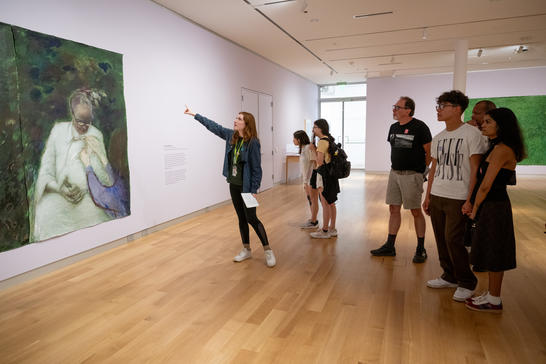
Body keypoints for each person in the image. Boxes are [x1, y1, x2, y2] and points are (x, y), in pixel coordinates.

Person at [183, 105, 276, 267]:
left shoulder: (253, 142)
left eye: (239, 119)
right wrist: (195, 115)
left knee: (252, 218)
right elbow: (214, 126)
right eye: (236, 117)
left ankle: (268, 250)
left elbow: (256, 168)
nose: (235, 120)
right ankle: (246, 249)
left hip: (246, 187)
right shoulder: (230, 136)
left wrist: (254, 189)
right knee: (241, 218)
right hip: (233, 185)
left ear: (247, 124)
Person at [422, 90, 487, 302]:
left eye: (444, 105)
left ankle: (467, 282)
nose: (438, 110)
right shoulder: (438, 138)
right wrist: (428, 195)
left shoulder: (472, 134)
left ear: (458, 109)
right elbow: (433, 169)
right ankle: (449, 275)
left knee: (454, 239)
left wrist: (470, 200)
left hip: (458, 196)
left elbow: (475, 169)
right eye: (438, 106)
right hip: (438, 194)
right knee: (441, 239)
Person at [32, 89, 120, 241]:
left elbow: (106, 180)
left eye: (88, 121)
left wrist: (88, 186)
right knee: (45, 215)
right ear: (72, 115)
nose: (84, 126)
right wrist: (59, 188)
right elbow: (46, 170)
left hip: (89, 197)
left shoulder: (96, 134)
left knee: (99, 220)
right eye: (80, 121)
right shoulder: (58, 131)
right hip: (59, 194)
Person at [465, 108, 526, 313]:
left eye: (488, 121)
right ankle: (491, 294)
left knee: (495, 252)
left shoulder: (502, 150)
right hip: (492, 206)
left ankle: (494, 299)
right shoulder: (496, 146)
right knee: (490, 250)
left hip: (494, 207)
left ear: (501, 126)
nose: (483, 124)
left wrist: (474, 209)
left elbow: (485, 185)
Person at [370, 97, 432, 263]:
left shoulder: (420, 127)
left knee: (415, 211)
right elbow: (396, 149)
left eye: (397, 107)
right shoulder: (393, 127)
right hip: (394, 174)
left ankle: (421, 248)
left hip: (412, 176)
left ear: (408, 110)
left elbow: (429, 152)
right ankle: (390, 246)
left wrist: (421, 173)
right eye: (394, 107)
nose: (394, 110)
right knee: (393, 209)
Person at [463, 99, 496, 272]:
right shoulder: (475, 131)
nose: (472, 115)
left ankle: (481, 259)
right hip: (476, 184)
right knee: (472, 223)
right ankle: (474, 255)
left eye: (476, 112)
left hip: (487, 189)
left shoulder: (493, 140)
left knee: (479, 223)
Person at [309, 119, 340, 239]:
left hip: (323, 175)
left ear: (320, 128)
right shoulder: (329, 139)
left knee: (325, 202)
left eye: (315, 127)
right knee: (331, 202)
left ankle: (325, 230)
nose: (313, 130)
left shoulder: (322, 142)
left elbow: (319, 161)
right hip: (332, 175)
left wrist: (313, 149)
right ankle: (332, 228)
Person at [293, 130, 319, 229]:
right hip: (306, 179)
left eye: (294, 138)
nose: (293, 140)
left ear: (299, 139)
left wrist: (308, 181)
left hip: (311, 179)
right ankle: (313, 219)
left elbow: (315, 164)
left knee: (313, 199)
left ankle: (314, 221)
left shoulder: (308, 148)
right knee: (310, 199)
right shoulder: (303, 148)